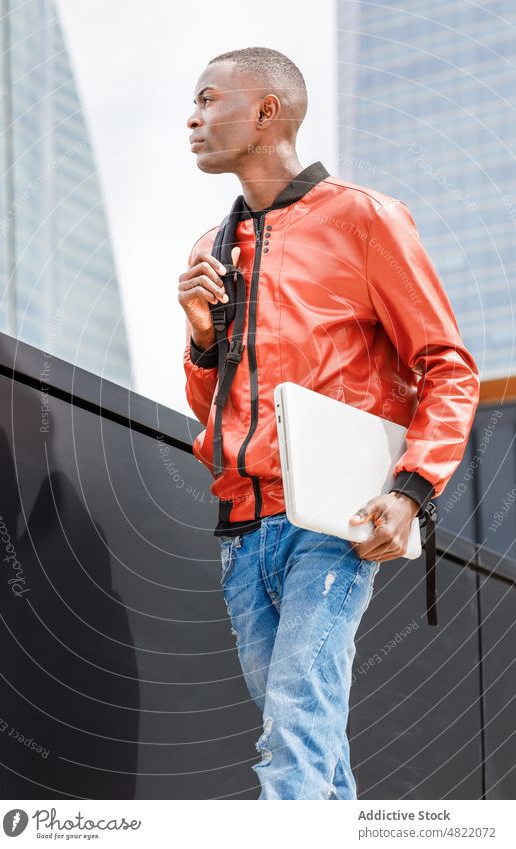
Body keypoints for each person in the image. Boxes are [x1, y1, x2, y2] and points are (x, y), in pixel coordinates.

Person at [178, 46, 480, 800]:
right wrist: (200, 342)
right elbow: (213, 410)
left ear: (265, 110)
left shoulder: (363, 217)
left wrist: (410, 488)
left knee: (291, 728)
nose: (193, 117)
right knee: (310, 735)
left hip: (333, 517)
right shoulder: (208, 251)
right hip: (242, 532)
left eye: (209, 99)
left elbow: (447, 366)